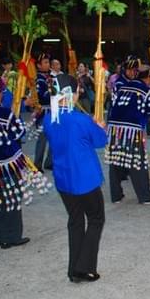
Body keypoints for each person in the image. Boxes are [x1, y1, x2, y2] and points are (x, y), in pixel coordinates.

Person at [0, 67, 51, 249]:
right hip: (8, 164)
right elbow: (19, 133)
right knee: (12, 199)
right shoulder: (4, 113)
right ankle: (11, 237)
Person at [43, 86, 107, 283]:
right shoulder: (80, 119)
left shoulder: (48, 118)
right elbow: (101, 141)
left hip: (64, 178)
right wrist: (99, 126)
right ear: (70, 94)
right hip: (85, 178)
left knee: (75, 220)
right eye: (77, 90)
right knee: (96, 219)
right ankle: (84, 268)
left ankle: (74, 269)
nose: (79, 93)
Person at [105, 57, 150, 205]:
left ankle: (116, 195)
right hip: (131, 130)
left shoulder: (124, 86)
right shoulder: (146, 90)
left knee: (116, 159)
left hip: (114, 128)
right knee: (137, 161)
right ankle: (145, 195)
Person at [33, 53, 52, 171]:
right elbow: (41, 97)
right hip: (43, 110)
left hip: (52, 110)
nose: (48, 64)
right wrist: (51, 92)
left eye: (48, 62)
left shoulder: (49, 77)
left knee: (53, 137)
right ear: (39, 65)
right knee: (42, 139)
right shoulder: (38, 79)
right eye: (45, 62)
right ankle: (37, 164)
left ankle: (49, 162)